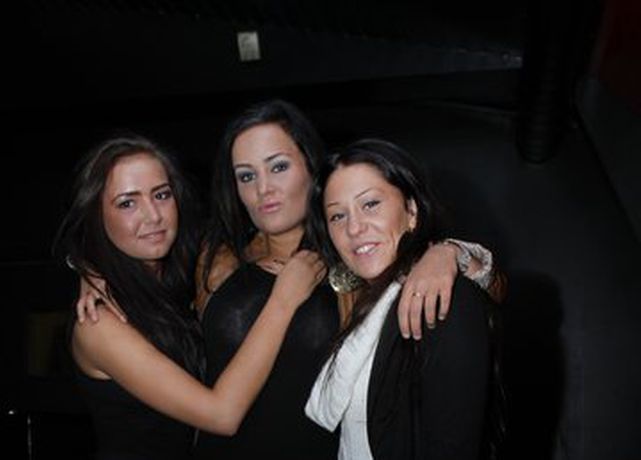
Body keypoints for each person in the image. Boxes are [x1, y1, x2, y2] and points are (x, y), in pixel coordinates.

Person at [76, 100, 504, 459]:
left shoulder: (354, 255)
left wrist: (449, 253)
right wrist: (88, 268)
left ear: (309, 166)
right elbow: (139, 250)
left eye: (278, 167)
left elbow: (494, 292)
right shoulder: (216, 254)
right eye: (246, 176)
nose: (264, 189)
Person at [54, 134, 327, 460]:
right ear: (96, 216)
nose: (153, 216)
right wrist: (283, 300)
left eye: (161, 195)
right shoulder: (98, 323)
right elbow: (221, 415)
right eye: (127, 203)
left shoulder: (181, 275)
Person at [305, 138, 504, 459]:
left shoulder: (439, 297)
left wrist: (451, 251)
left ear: (411, 211)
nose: (354, 228)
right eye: (337, 216)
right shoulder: (364, 307)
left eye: (370, 204)